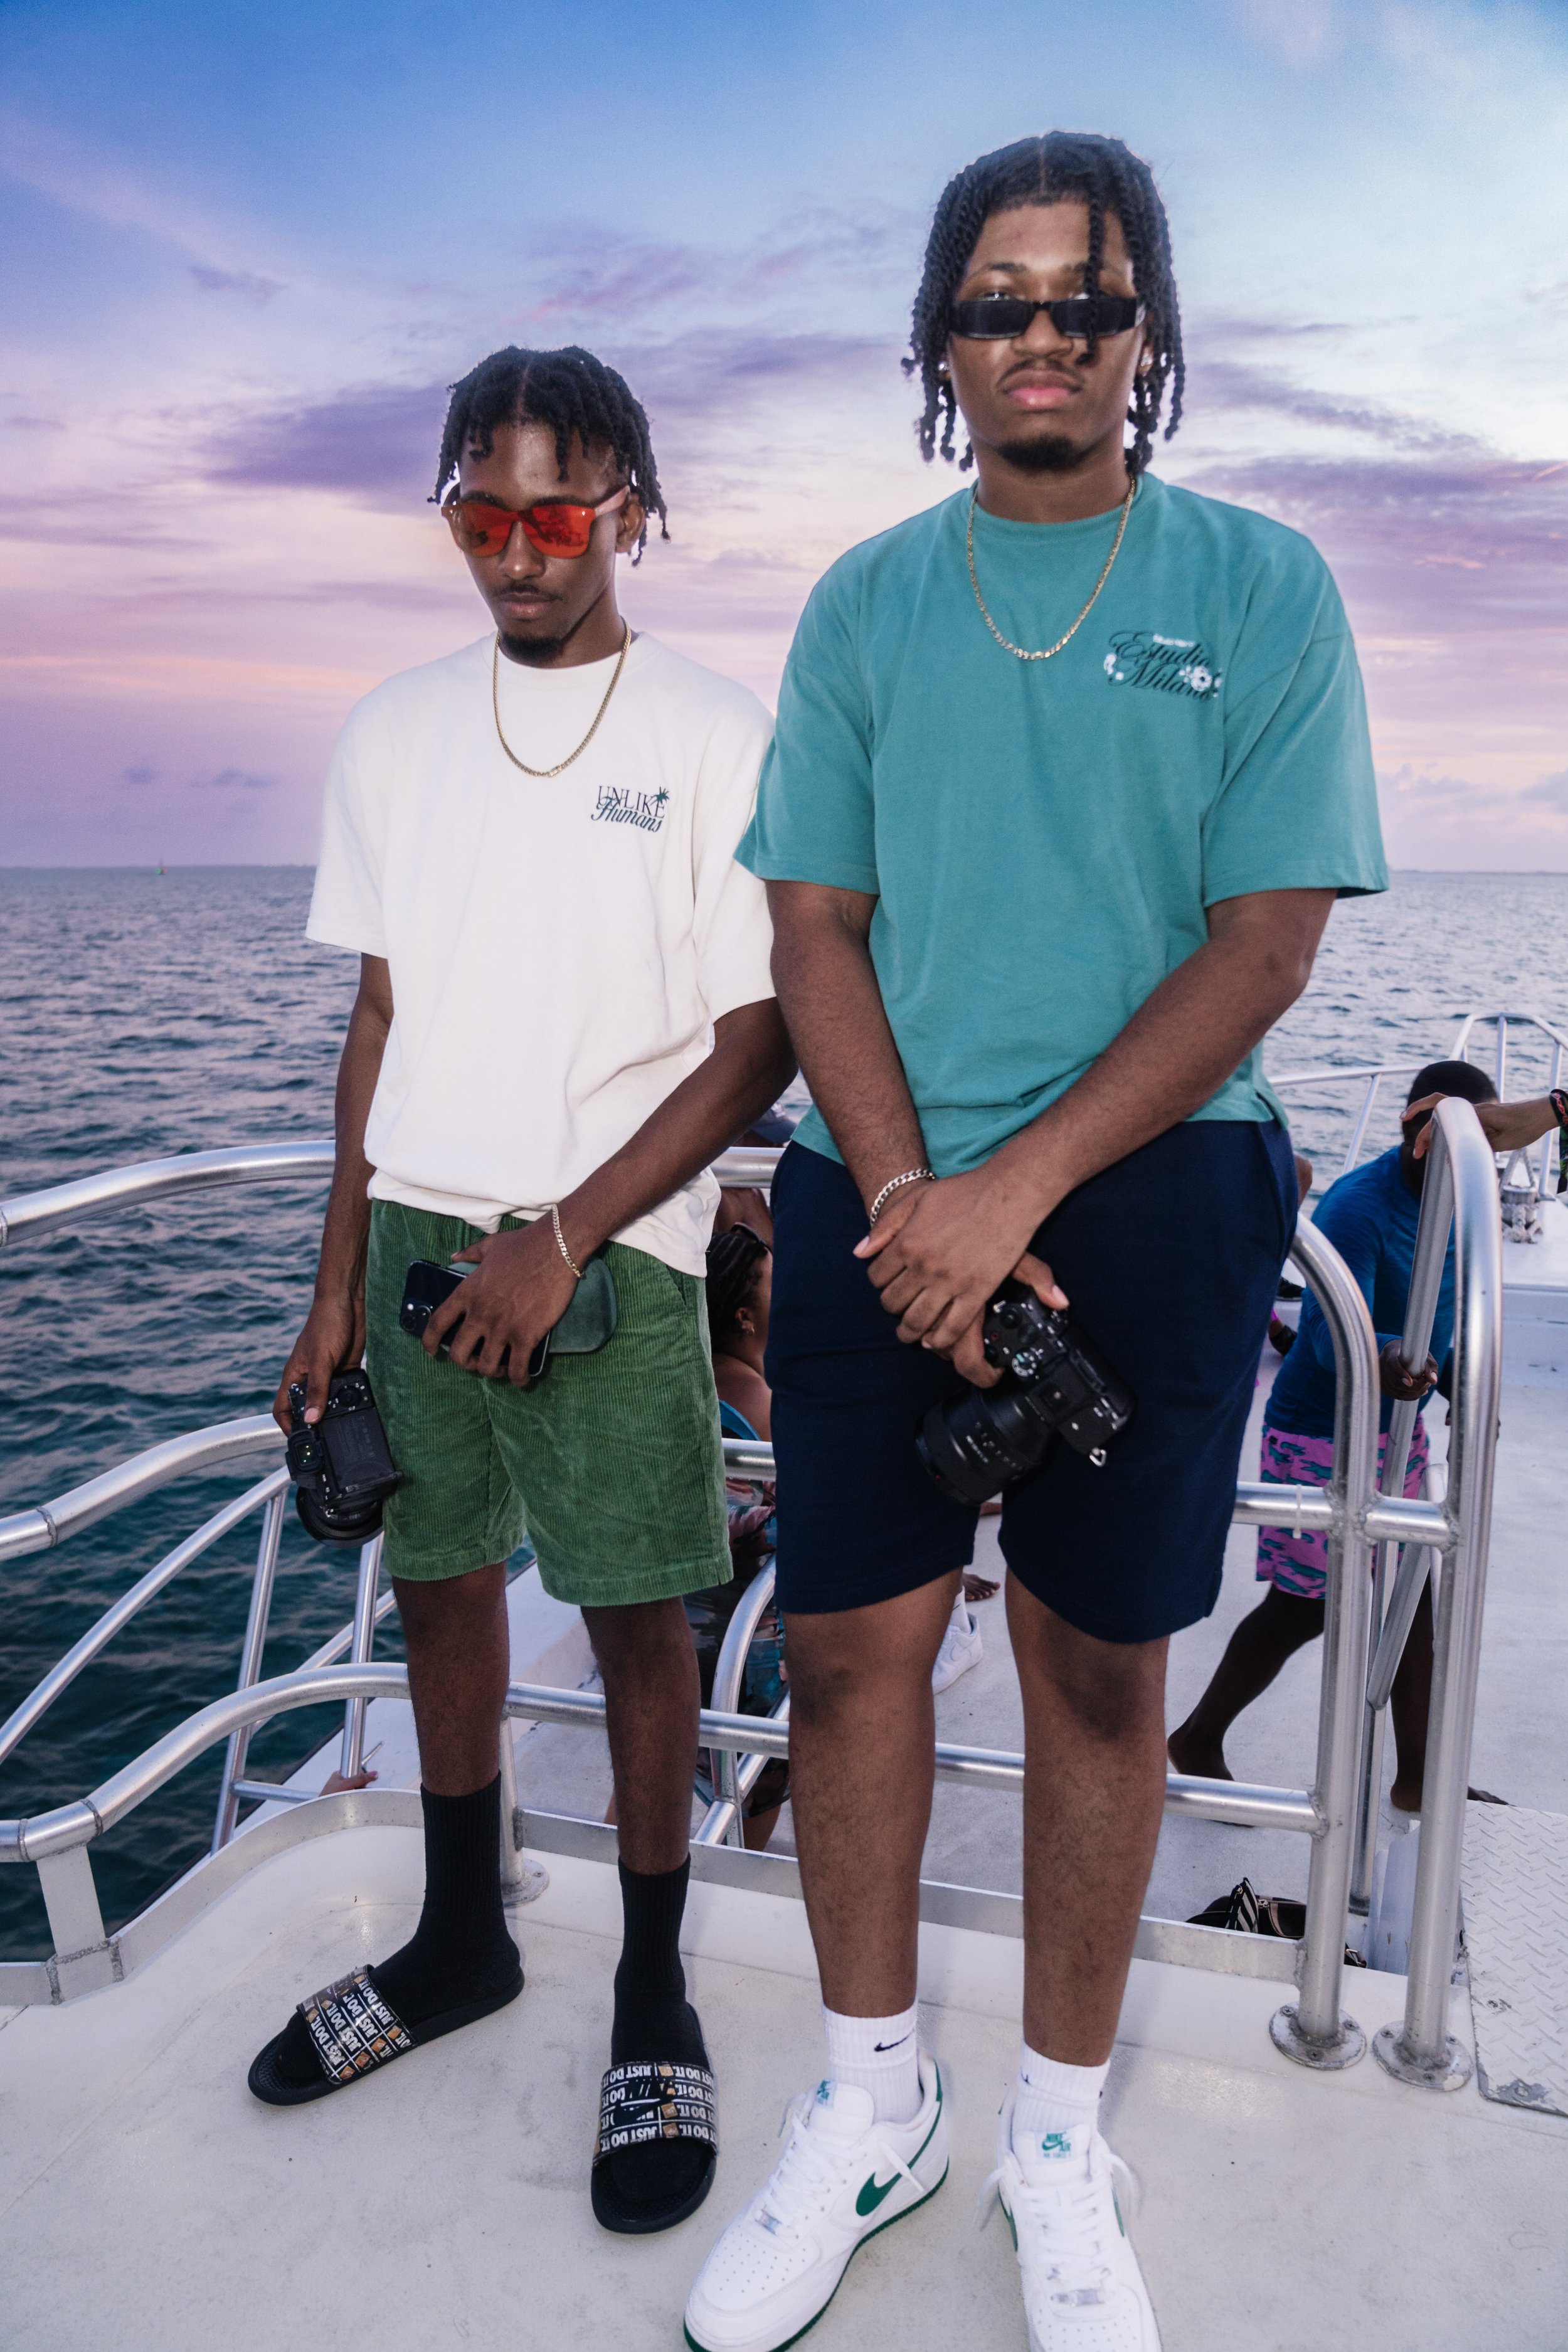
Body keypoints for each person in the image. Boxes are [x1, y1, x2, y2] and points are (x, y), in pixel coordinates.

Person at [683, 133, 1385, 2352]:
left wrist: (1011, 1195)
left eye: (1086, 297)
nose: (1043, 335)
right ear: (943, 342)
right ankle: (872, 2101)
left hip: (1159, 1186)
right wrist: (916, 1195)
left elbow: (1262, 946)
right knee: (844, 1653)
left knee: (1096, 1673)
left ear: (1143, 329)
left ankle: (1060, 2138)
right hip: (878, 1189)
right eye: (998, 300)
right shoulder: (865, 602)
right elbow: (815, 925)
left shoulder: (1260, 585)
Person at [246, 343, 794, 2242]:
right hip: (420, 1239)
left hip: (616, 1251)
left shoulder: (715, 729)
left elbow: (758, 1037)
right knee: (441, 1583)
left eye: (555, 512)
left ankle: (650, 1989)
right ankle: (458, 1935)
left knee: (641, 1614)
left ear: (628, 506)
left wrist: (561, 1232)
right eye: (479, 512)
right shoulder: (392, 731)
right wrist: (334, 1278)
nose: (515, 551)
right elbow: (378, 1013)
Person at [1168, 1062, 1497, 1811]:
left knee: (1412, 1599)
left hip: (1400, 1429)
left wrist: (1459, 1388)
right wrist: (1391, 1359)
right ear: (1416, 1130)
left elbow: (1444, 1314)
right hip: (1322, 1433)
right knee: (1304, 1607)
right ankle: (1197, 1736)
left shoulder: (1462, 1203)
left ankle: (1418, 1779)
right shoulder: (1359, 1206)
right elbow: (1324, 1335)